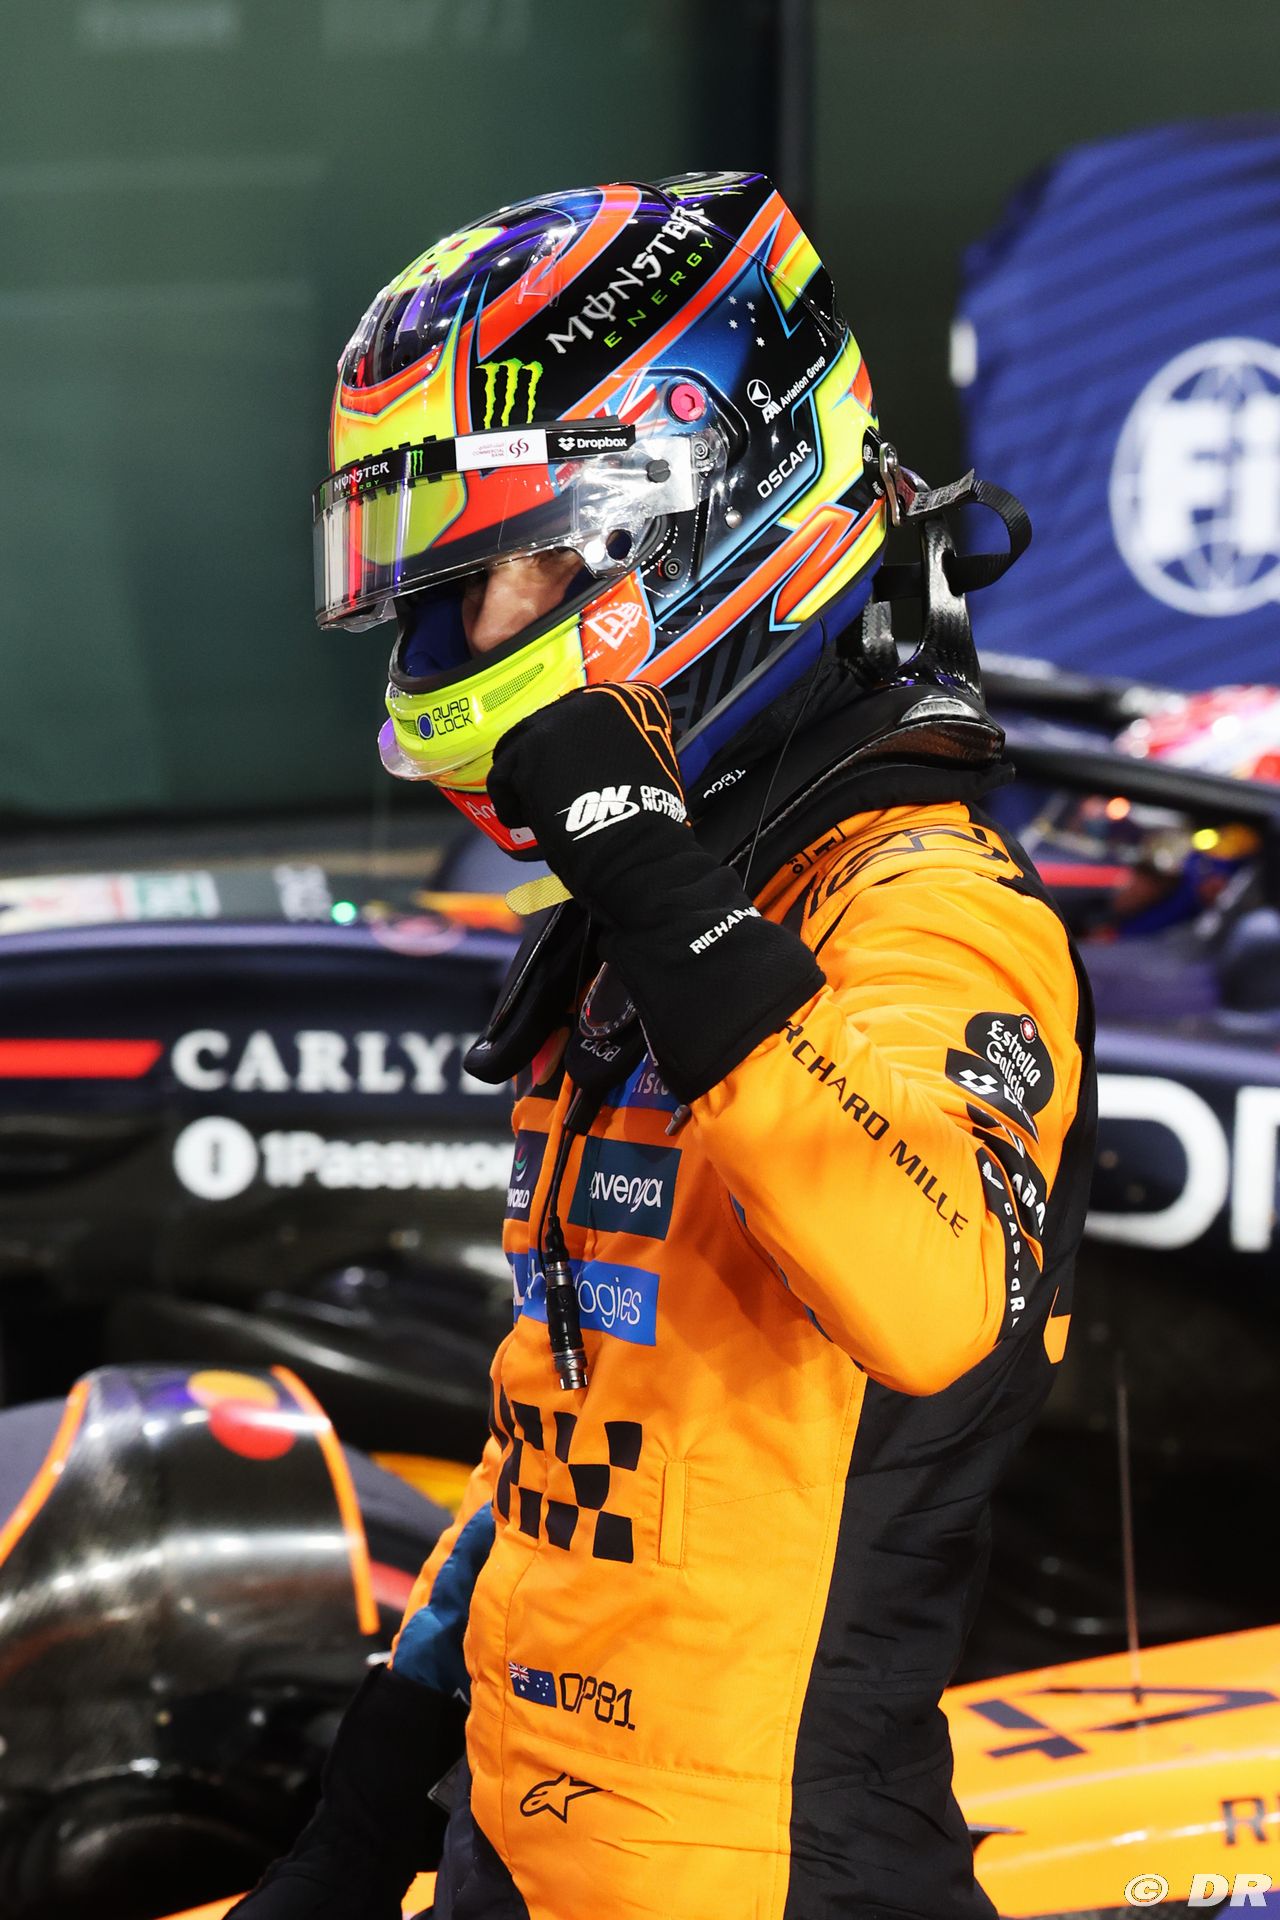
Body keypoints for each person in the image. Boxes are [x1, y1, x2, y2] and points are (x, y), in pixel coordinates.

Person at [237, 170, 1096, 1920]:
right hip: (515, 1848)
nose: (466, 632)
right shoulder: (661, 921)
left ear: (693, 526)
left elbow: (935, 1301)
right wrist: (371, 1808)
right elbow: (562, 1432)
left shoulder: (930, 906)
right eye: (444, 582)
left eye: (518, 565)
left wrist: (650, 871)